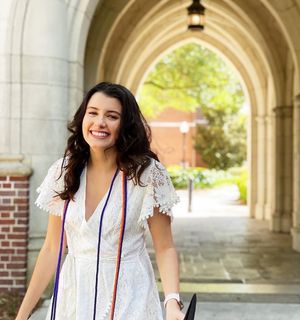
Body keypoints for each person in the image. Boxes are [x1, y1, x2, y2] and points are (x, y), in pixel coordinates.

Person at [15, 82, 185, 320]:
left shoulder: (147, 175)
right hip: (73, 298)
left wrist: (172, 302)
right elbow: (53, 248)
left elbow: (165, 247)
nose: (100, 123)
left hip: (129, 297)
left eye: (112, 116)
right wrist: (22, 315)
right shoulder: (63, 172)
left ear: (125, 125)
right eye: (92, 113)